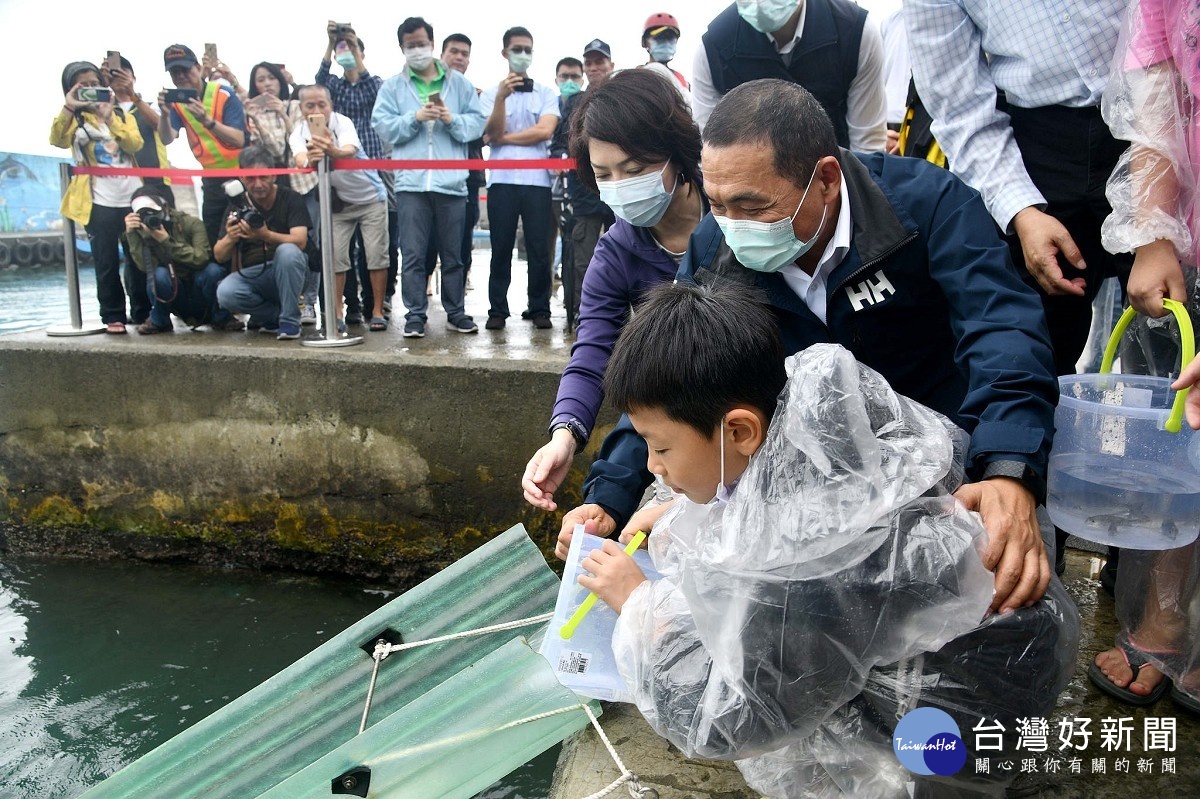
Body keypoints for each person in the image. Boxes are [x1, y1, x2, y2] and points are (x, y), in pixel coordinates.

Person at [561, 79, 1060, 615]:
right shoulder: (714, 248)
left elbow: (1002, 329)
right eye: (718, 205)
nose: (732, 229)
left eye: (753, 207)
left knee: (986, 608)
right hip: (810, 492)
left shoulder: (925, 208)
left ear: (825, 179)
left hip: (949, 474)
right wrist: (607, 498)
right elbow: (670, 377)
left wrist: (1008, 468)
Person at [579, 280, 1076, 798]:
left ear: (741, 432)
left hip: (954, 725)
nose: (652, 467)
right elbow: (747, 498)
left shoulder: (805, 556)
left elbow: (733, 721)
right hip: (1005, 659)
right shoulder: (813, 422)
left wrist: (641, 607)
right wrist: (683, 504)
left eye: (660, 448)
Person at [906, 0, 1132, 580]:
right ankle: (1024, 546)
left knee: (1169, 365)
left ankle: (1146, 591)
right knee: (1027, 352)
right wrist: (1020, 209)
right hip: (1028, 153)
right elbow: (958, 101)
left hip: (1156, 133)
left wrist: (1156, 220)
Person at [522, 68, 707, 513]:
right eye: (605, 174)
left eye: (636, 169)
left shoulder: (736, 220)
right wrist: (565, 435)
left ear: (676, 154)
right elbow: (593, 351)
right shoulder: (615, 253)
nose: (621, 186)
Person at [1087, 0, 1200, 716]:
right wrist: (1154, 231)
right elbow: (1155, 98)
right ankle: (1166, 616)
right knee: (1183, 435)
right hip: (1191, 241)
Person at [371, 16, 485, 337]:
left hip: (451, 184)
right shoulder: (394, 86)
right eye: (411, 45)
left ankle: (456, 311)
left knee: (454, 254)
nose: (417, 50)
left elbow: (476, 125)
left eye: (421, 43)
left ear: (432, 44)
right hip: (411, 184)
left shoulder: (458, 84)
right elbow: (382, 126)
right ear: (402, 48)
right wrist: (414, 117)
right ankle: (415, 314)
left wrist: (451, 119)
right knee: (413, 254)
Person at [691, 0, 888, 153]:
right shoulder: (713, 48)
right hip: (754, 189)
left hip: (835, 180)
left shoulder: (855, 32)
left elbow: (867, 147)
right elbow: (711, 150)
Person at [52, 60, 144, 334]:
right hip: (98, 200)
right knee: (106, 261)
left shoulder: (120, 113)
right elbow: (56, 139)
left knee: (138, 258)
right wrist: (70, 106)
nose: (91, 90)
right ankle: (113, 316)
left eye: (95, 84)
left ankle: (143, 312)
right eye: (84, 86)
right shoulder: (75, 119)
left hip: (130, 197)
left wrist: (110, 117)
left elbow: (134, 143)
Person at [480, 26, 560, 331]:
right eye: (517, 49)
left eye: (528, 49)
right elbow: (491, 133)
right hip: (501, 180)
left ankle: (539, 308)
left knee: (539, 248)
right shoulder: (491, 94)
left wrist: (505, 137)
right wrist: (501, 98)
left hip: (537, 181)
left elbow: (545, 130)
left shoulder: (545, 93)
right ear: (505, 53)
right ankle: (497, 310)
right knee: (500, 248)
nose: (523, 54)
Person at [293, 84, 389, 332]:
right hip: (337, 204)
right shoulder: (299, 133)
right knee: (335, 259)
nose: (317, 110)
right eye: (310, 105)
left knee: (376, 255)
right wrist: (313, 157)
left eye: (321, 104)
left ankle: (377, 311)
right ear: (301, 108)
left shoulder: (342, 122)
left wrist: (330, 150)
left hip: (370, 198)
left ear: (330, 104)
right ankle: (336, 315)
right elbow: (300, 160)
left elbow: (349, 150)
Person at [316, 22, 392, 326]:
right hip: (338, 178)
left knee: (377, 248)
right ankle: (349, 309)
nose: (346, 52)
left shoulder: (373, 82)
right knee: (340, 252)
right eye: (342, 49)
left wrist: (352, 45)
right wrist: (331, 42)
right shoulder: (332, 87)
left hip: (371, 168)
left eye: (352, 47)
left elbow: (375, 91)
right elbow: (317, 83)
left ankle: (377, 305)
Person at [213, 146, 310, 340]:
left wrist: (265, 235)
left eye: (263, 177)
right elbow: (219, 255)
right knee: (225, 293)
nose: (257, 184)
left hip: (291, 271)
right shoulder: (237, 205)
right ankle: (274, 317)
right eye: (250, 178)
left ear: (274, 175)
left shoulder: (291, 198)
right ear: (241, 178)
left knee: (288, 252)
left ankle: (290, 321)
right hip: (255, 275)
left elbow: (300, 242)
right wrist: (231, 237)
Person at [552, 40, 616, 330]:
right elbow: (557, 144)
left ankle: (627, 318)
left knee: (629, 253)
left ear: (610, 65)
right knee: (583, 260)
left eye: (599, 62)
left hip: (620, 190)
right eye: (589, 63)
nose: (594, 68)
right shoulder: (574, 102)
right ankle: (583, 316)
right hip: (584, 192)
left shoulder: (621, 94)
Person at [157, 44, 248, 247]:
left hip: (241, 174)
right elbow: (166, 138)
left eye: (185, 70)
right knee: (213, 234)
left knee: (243, 232)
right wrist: (164, 114)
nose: (180, 76)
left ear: (198, 68)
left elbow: (239, 139)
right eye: (174, 72)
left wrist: (207, 121)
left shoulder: (223, 94)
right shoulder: (177, 103)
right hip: (211, 179)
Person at [123, 184, 241, 334]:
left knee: (213, 271)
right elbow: (145, 268)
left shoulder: (191, 223)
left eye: (153, 212)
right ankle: (160, 320)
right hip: (173, 290)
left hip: (198, 286)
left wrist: (166, 241)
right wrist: (132, 234)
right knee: (158, 274)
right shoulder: (141, 231)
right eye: (144, 214)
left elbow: (201, 258)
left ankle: (221, 318)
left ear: (165, 207)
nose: (150, 217)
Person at [422, 34, 486, 296]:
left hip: (467, 179)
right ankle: (420, 299)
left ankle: (456, 301)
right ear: (442, 55)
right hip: (427, 178)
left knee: (461, 244)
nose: (459, 57)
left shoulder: (473, 95)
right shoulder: (423, 88)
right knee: (425, 244)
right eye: (454, 52)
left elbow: (484, 135)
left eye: (465, 53)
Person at [641, 12, 689, 90]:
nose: (666, 43)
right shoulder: (636, 75)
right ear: (645, 42)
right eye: (659, 38)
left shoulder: (680, 79)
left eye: (671, 39)